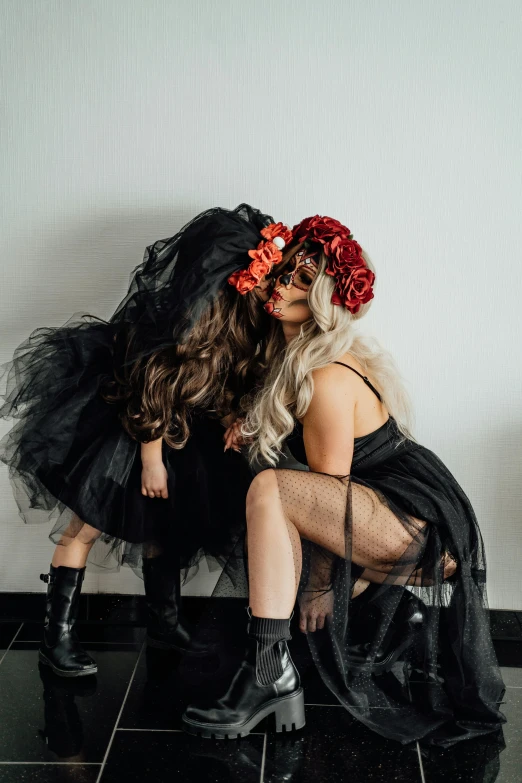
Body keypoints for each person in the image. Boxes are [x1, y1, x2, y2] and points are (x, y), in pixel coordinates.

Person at [182, 214, 506, 747]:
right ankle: (283, 665)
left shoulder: (324, 375)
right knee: (269, 485)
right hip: (390, 511)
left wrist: (317, 588)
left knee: (271, 489)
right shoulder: (289, 358)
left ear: (327, 300)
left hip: (420, 526)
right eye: (286, 271)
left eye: (305, 281)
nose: (284, 282)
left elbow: (333, 495)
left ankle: (269, 674)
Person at [0, 204, 289, 678]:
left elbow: (235, 379)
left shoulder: (243, 321)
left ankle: (165, 621)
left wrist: (239, 415)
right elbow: (149, 389)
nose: (265, 288)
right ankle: (57, 637)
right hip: (133, 425)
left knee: (167, 523)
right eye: (259, 277)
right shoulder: (180, 326)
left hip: (183, 428)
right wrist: (150, 457)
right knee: (87, 524)